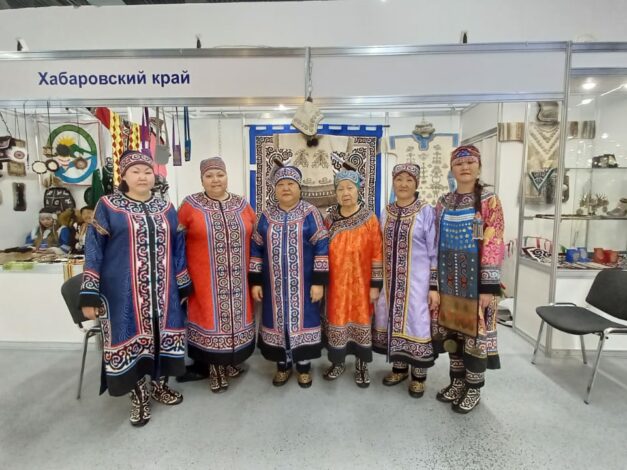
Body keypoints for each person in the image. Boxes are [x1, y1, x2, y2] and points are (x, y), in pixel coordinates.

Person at [79, 150, 192, 427]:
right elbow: (93, 250)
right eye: (135, 171)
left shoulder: (166, 208)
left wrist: (182, 284)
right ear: (124, 176)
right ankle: (138, 395)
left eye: (147, 171)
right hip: (123, 293)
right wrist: (90, 293)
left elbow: (178, 248)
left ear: (154, 175)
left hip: (164, 292)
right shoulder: (108, 206)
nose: (142, 176)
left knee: (162, 337)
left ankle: (159, 385)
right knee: (130, 339)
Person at [433, 145, 505, 414]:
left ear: (478, 167)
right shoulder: (443, 202)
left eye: (470, 162)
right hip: (449, 283)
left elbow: (495, 242)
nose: (465, 167)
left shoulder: (489, 200)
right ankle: (457, 382)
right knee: (454, 333)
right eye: (459, 163)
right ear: (451, 169)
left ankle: (473, 388)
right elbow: (434, 241)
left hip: (475, 284)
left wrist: (488, 286)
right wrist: (434, 283)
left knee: (474, 336)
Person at [178, 157, 257, 393]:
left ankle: (230, 363)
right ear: (202, 179)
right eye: (209, 176)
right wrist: (182, 277)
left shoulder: (241, 205)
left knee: (236, 321)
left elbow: (256, 238)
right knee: (210, 321)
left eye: (220, 174)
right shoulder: (190, 205)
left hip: (239, 281)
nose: (215, 180)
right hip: (204, 281)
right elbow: (176, 244)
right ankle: (214, 369)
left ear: (227, 176)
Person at [249, 166, 329, 388]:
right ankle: (282, 366)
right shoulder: (265, 216)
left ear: (299, 188)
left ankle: (303, 367)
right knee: (276, 322)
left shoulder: (310, 213)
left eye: (291, 184)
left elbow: (322, 247)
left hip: (304, 285)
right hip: (273, 286)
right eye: (281, 184)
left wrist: (319, 282)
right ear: (275, 189)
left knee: (305, 321)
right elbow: (256, 248)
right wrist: (255, 282)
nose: (286, 188)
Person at [373, 163, 439, 399]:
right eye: (399, 179)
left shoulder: (426, 211)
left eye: (409, 180)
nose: (403, 184)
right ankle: (399, 369)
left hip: (417, 283)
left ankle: (419, 376)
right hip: (390, 283)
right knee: (393, 320)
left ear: (416, 184)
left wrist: (433, 286)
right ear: (393, 182)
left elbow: (434, 250)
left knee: (417, 323)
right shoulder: (387, 211)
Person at [323, 169, 383, 387]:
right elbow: (321, 251)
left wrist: (375, 285)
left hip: (361, 285)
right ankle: (338, 363)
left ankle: (361, 365)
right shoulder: (330, 220)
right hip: (336, 286)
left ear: (358, 190)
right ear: (335, 193)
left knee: (362, 320)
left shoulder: (369, 218)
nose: (345, 193)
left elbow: (377, 253)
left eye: (350, 188)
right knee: (336, 320)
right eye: (340, 189)